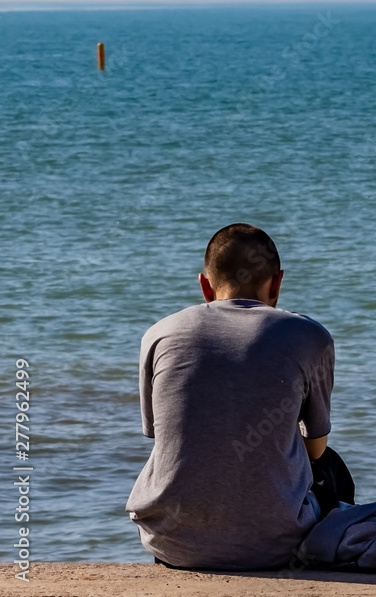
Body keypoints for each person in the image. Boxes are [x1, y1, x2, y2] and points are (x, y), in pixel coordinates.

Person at [125, 223, 336, 571]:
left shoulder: (159, 334)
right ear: (278, 283)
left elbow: (159, 434)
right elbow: (316, 449)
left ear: (205, 285)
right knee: (331, 469)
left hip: (170, 541)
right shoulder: (310, 336)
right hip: (276, 545)